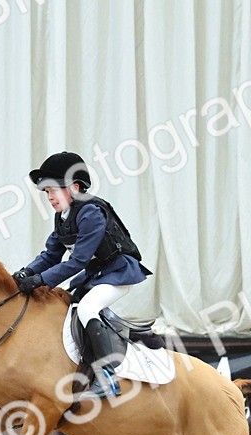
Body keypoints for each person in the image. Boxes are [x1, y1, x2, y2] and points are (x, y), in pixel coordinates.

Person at [12, 151, 150, 399]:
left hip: (119, 271)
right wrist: (28, 271)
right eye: (46, 192)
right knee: (67, 306)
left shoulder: (91, 212)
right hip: (98, 274)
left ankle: (107, 377)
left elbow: (78, 261)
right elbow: (51, 254)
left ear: (75, 188)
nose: (49, 197)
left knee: (87, 308)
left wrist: (41, 280)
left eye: (54, 190)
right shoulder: (63, 216)